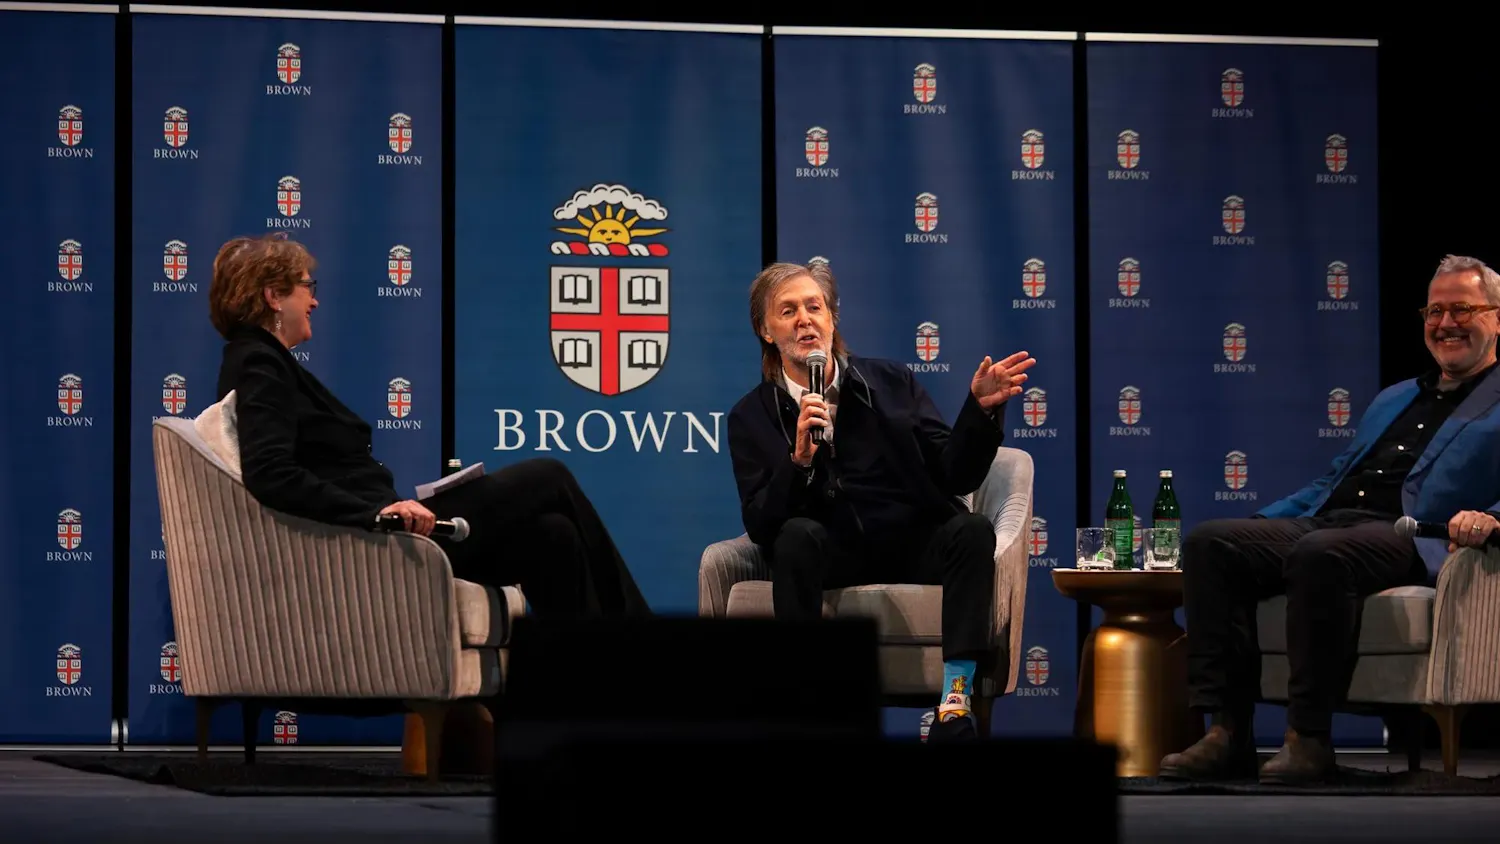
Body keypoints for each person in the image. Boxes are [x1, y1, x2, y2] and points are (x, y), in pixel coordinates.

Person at [1159, 253, 1500, 785]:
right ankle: (1226, 733)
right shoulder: (1395, 398)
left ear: (1496, 318)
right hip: (1334, 518)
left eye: (1463, 309)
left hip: (1410, 534)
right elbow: (1333, 480)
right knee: (1212, 543)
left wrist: (1489, 518)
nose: (1446, 323)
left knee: (1320, 554)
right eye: (1435, 312)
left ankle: (1308, 738)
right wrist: (1262, 525)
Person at [206, 234, 651, 618]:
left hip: (387, 523)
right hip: (376, 535)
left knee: (554, 537)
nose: (314, 299)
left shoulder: (266, 363)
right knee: (549, 476)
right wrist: (377, 514)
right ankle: (641, 638)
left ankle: (596, 693)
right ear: (272, 296)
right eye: (306, 287)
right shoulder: (258, 362)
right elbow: (271, 473)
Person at [726, 260, 1036, 743]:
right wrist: (798, 462)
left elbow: (955, 473)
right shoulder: (751, 416)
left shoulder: (891, 382)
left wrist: (980, 412)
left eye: (814, 307)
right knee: (794, 537)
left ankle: (954, 703)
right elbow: (762, 526)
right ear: (766, 331)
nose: (805, 319)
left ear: (831, 320)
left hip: (909, 541)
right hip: (832, 553)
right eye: (788, 311)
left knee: (971, 530)